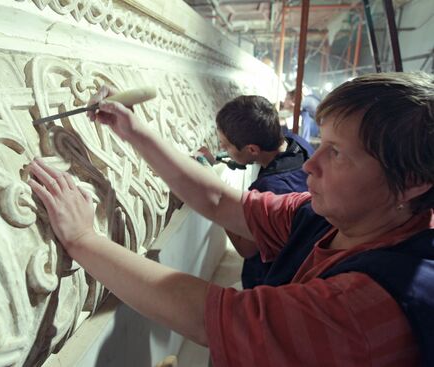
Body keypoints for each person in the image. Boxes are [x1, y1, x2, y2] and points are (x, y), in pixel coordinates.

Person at [28, 72, 434, 366]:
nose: (312, 165)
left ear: (413, 182)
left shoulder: (372, 305)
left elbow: (209, 317)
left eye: (338, 153)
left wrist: (83, 237)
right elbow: (219, 200)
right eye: (320, 144)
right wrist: (134, 130)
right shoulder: (330, 217)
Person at [198, 95, 314, 289]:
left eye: (226, 145)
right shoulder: (296, 143)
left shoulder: (268, 189)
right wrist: (229, 157)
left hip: (274, 282)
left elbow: (246, 248)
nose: (221, 148)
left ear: (252, 149)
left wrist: (214, 185)